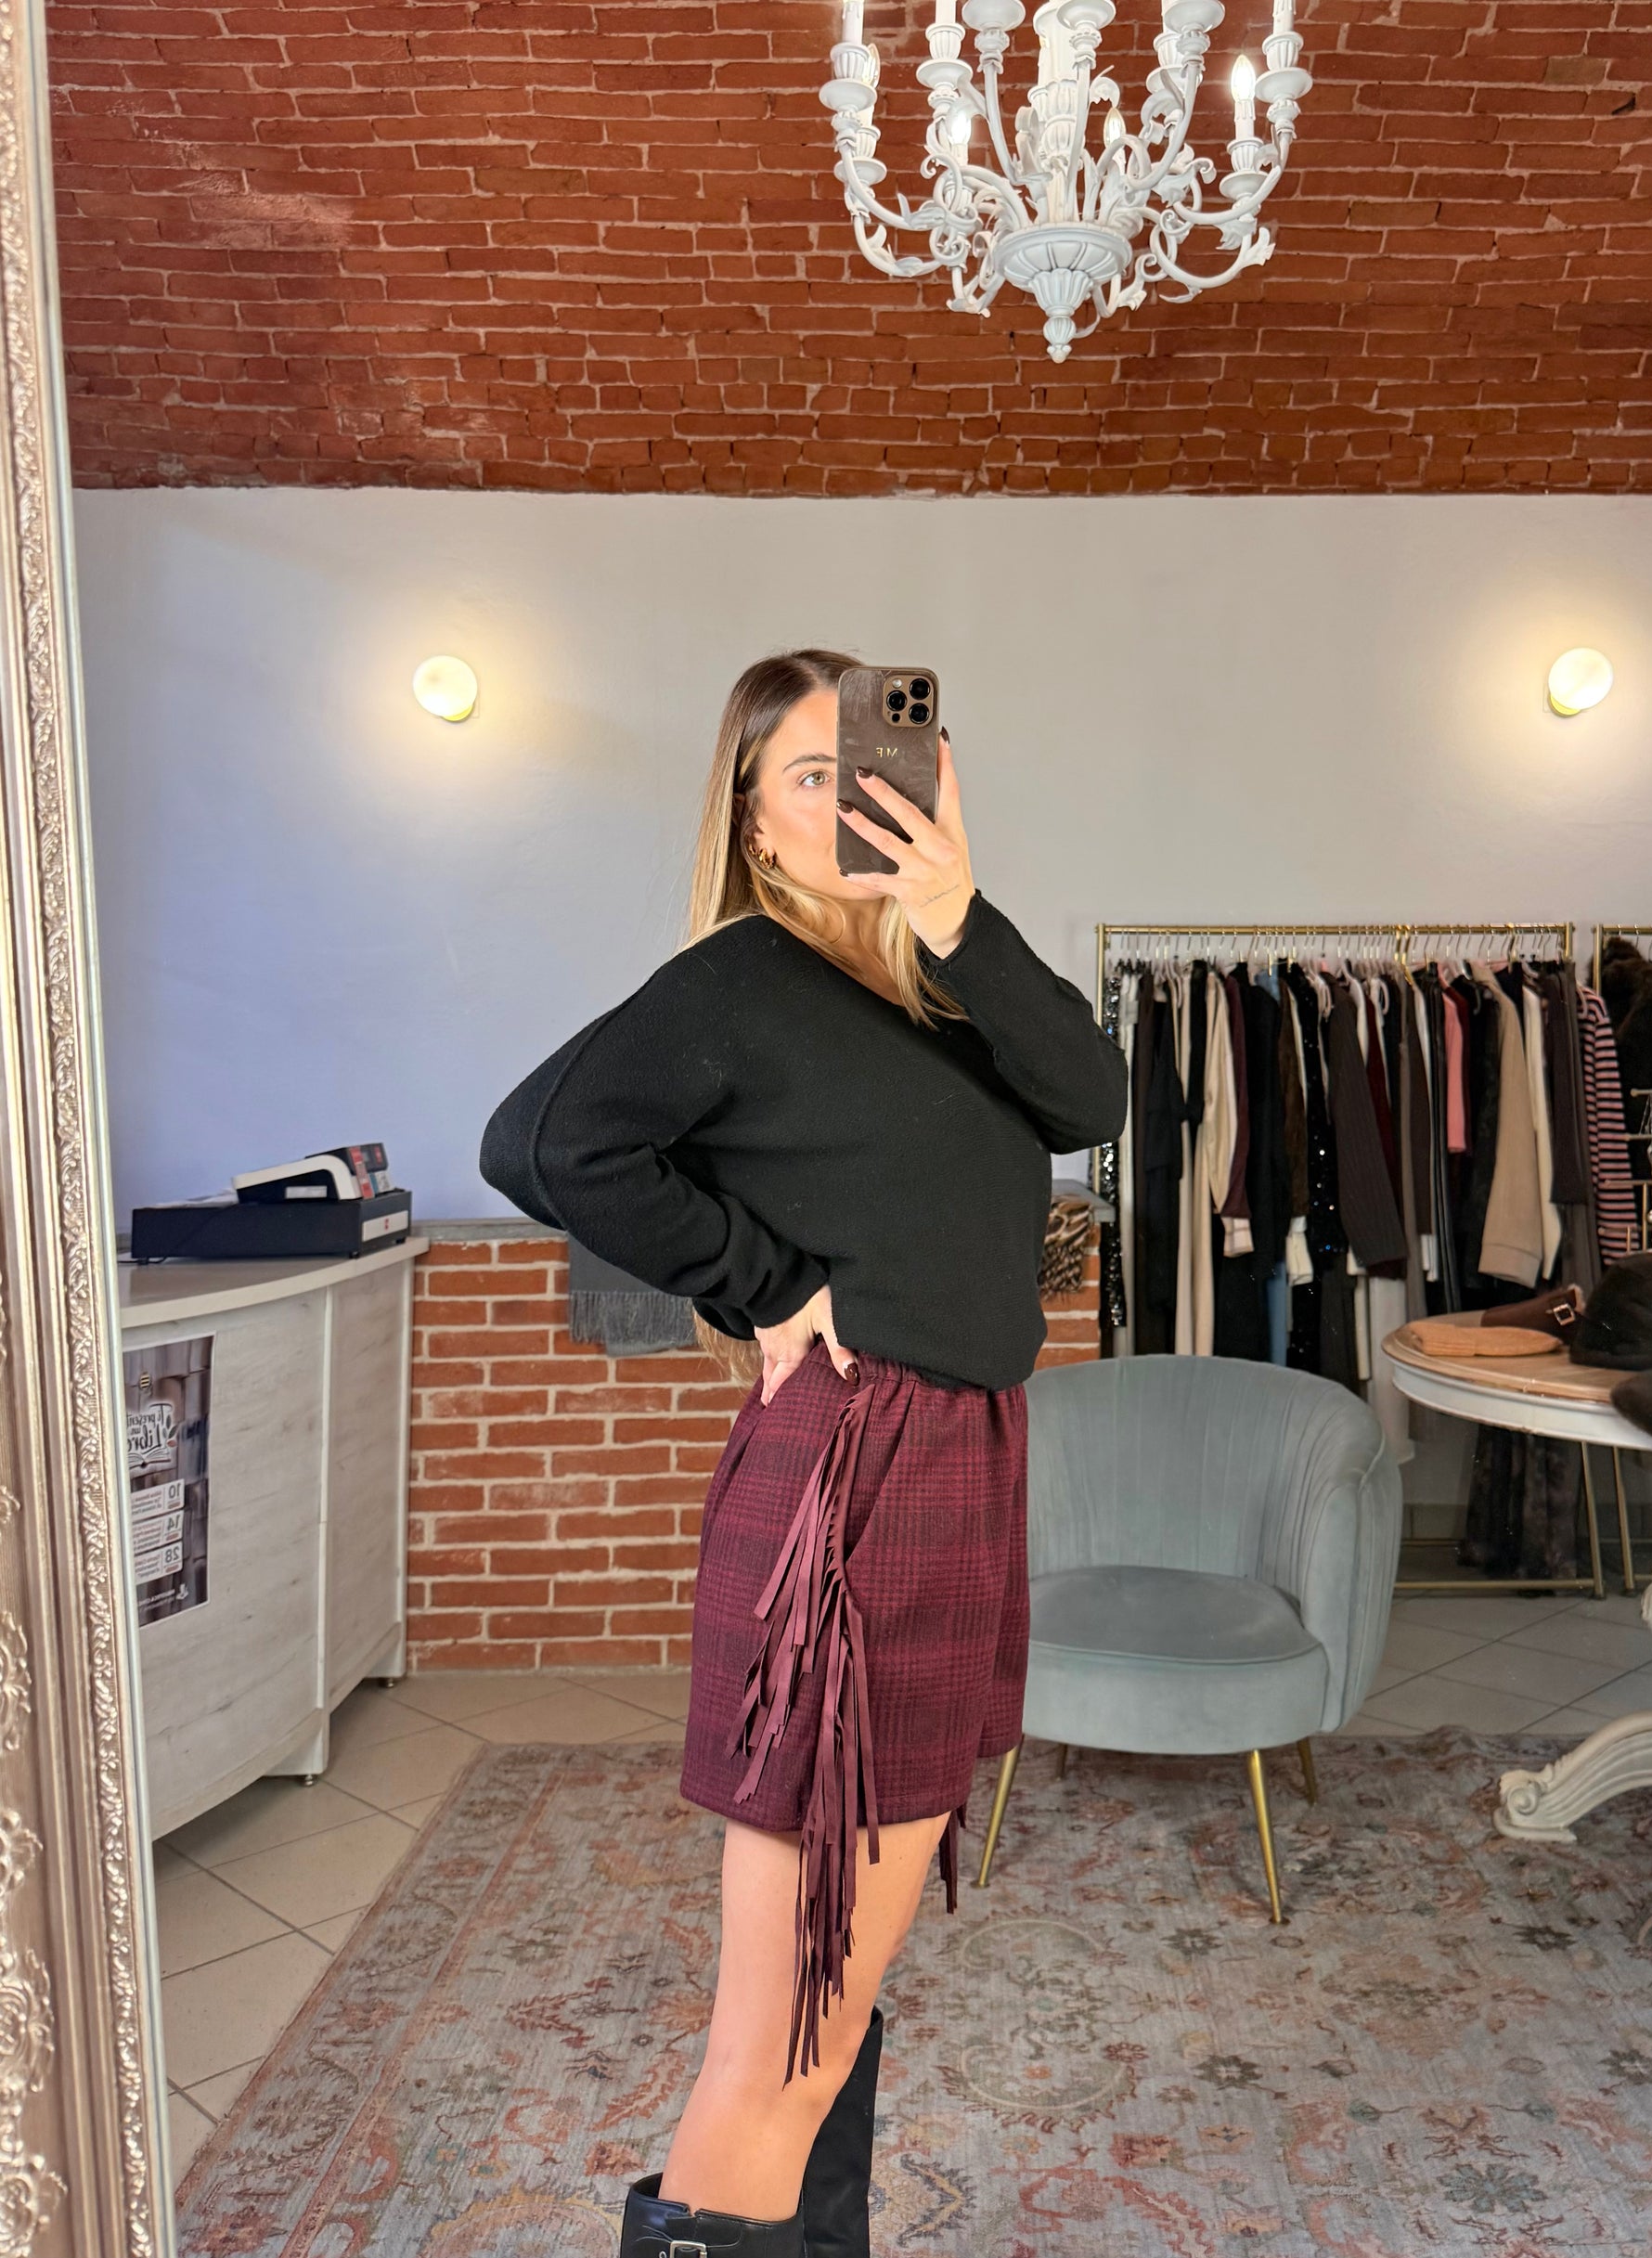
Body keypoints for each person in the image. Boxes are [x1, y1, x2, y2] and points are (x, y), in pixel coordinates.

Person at [478, 649, 1128, 2257]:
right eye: (810, 775)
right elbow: (538, 1142)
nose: (852, 799)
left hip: (947, 1459)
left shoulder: (943, 987)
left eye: (877, 763)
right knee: (782, 2032)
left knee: (832, 1998)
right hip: (859, 1470)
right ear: (755, 820)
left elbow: (1093, 1097)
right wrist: (760, 1283)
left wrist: (958, 912)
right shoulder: (744, 977)